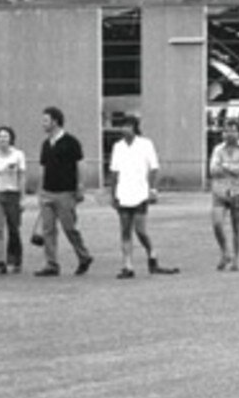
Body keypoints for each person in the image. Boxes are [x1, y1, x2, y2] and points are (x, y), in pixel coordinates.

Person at [107, 115, 179, 279]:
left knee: (140, 230)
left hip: (140, 192)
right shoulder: (118, 147)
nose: (124, 130)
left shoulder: (146, 145)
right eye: (122, 126)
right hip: (123, 193)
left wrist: (151, 188)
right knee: (125, 230)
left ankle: (152, 253)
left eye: (127, 126)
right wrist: (113, 194)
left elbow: (154, 168)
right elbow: (114, 172)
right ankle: (128, 265)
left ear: (134, 128)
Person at [35, 106, 94, 277]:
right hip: (47, 192)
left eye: (46, 120)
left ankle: (84, 256)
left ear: (55, 121)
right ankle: (51, 264)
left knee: (69, 228)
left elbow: (80, 164)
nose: (43, 123)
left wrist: (81, 186)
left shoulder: (71, 142)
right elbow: (43, 168)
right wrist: (39, 190)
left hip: (65, 193)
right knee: (48, 230)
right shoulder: (46, 144)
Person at [208, 118, 239, 272]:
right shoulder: (218, 149)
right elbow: (212, 170)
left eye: (233, 130)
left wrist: (225, 166)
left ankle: (236, 259)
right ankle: (225, 251)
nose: (229, 134)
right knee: (217, 223)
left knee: (237, 226)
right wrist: (232, 168)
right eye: (227, 130)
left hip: (237, 191)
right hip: (219, 191)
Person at [0, 125, 26, 275]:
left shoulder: (18, 155)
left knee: (14, 229)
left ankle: (15, 259)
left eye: (6, 136)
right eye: (0, 137)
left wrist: (22, 197)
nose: (3, 139)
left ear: (11, 139)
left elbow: (22, 176)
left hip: (13, 194)